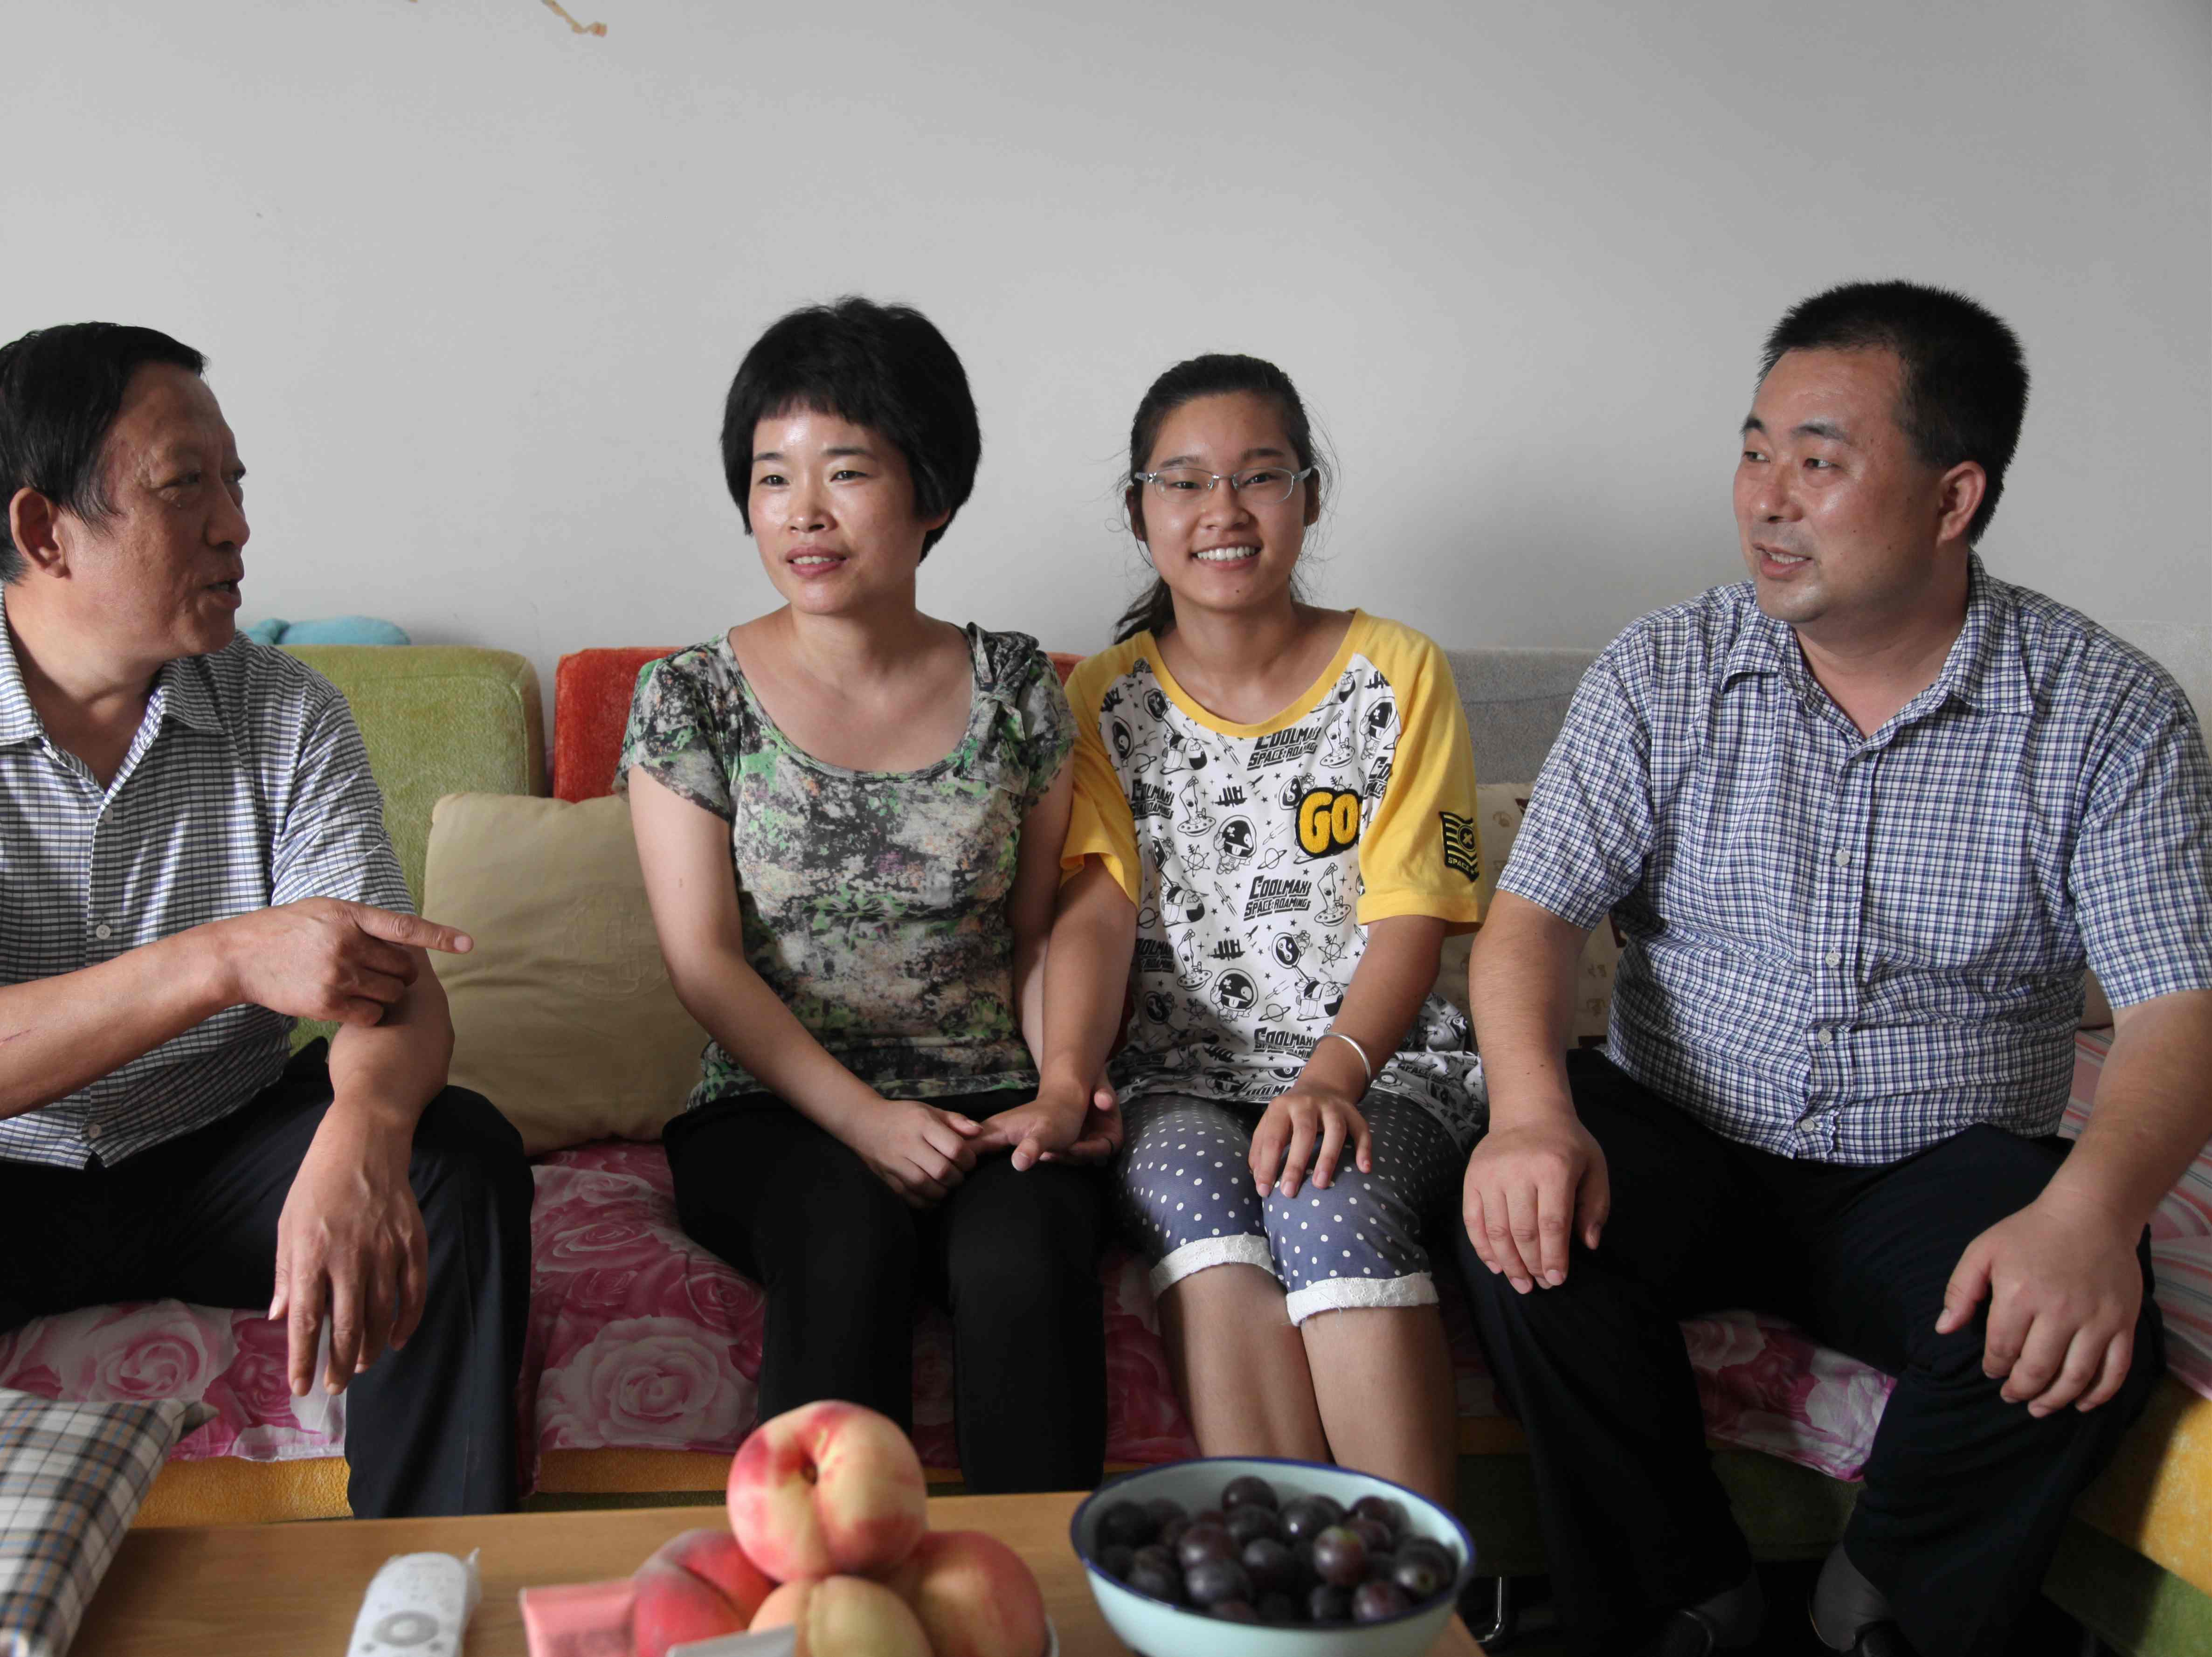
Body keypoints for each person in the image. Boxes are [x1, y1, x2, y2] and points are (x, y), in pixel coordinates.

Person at [0, 323, 534, 1530]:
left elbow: (389, 988)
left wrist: (367, 1128)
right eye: (186, 486)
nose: (236, 525)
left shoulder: (288, 713)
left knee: (457, 1158)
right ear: (43, 530)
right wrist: (223, 958)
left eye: (235, 483)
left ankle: (425, 1577)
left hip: (215, 1147)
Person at [1455, 281, 2212, 1657]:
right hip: (1677, 1121)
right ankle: (1682, 1600)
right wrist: (1528, 1115)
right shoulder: (1665, 669)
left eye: (1817, 461)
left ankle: (1880, 1612)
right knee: (1515, 1236)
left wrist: (2091, 1212)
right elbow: (1531, 920)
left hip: (1937, 1162)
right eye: (1754, 452)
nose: (1765, 500)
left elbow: (2176, 1008)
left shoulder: (2106, 714)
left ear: (1952, 497)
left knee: (2083, 1324)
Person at [619, 298, 1108, 1492]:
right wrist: (863, 1119)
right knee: (844, 1233)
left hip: (987, 1099)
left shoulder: (1014, 687)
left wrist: (1056, 1091)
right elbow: (703, 962)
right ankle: (823, 1578)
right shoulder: (690, 699)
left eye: (845, 471)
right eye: (770, 477)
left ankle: (1041, 1581)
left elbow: (1034, 931)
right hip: (771, 1112)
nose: (803, 512)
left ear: (931, 490)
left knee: (1025, 1256)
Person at [1038, 353, 1488, 1503]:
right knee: (1188, 1191)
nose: (1223, 511)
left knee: (1327, 1196)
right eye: (1184, 481)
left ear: (1309, 495)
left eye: (1258, 476)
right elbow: (1095, 909)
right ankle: (1278, 1568)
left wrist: (1333, 1074)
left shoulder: (1397, 671)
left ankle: (1409, 1579)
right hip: (1176, 1072)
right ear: (1138, 512)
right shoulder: (1100, 700)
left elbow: (1416, 914)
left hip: (1376, 1063)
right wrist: (1066, 1079)